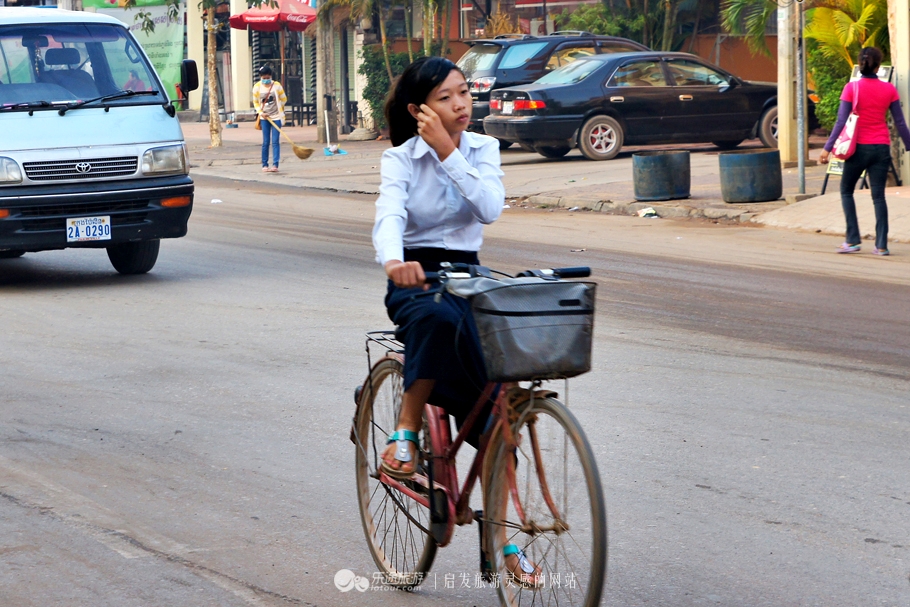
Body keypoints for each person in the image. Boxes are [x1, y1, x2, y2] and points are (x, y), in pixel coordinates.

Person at [371, 56, 541, 587]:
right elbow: (389, 215)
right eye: (445, 98)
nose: (461, 104)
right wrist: (394, 262)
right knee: (434, 318)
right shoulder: (398, 159)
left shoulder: (484, 149)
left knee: (501, 414)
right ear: (420, 109)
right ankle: (405, 430)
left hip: (470, 278)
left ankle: (504, 538)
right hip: (415, 277)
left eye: (464, 92)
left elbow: (490, 207)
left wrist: (450, 153)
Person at [819, 47, 910, 256]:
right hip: (881, 149)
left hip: (857, 149)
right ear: (878, 67)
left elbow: (841, 121)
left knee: (846, 191)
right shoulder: (889, 90)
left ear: (860, 63)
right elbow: (900, 123)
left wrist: (827, 149)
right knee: (878, 197)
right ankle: (881, 245)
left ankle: (852, 240)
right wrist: (909, 144)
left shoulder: (851, 88)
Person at [252, 65, 287, 173]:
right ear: (260, 77)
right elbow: (255, 102)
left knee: (275, 141)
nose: (266, 79)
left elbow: (284, 99)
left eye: (268, 77)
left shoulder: (276, 86)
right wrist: (261, 113)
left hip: (276, 117)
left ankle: (275, 164)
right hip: (264, 118)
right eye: (264, 77)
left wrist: (278, 108)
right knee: (266, 142)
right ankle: (264, 164)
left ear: (271, 76)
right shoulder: (257, 87)